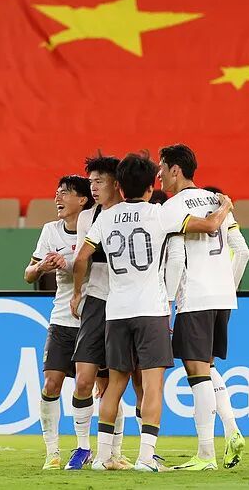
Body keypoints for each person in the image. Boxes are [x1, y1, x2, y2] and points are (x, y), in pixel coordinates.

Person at [71, 152, 233, 472]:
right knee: (152, 385)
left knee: (114, 384)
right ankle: (146, 457)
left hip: (116, 310)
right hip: (151, 310)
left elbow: (80, 259)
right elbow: (210, 225)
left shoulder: (105, 218)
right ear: (149, 188)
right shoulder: (159, 214)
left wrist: (77, 293)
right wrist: (225, 205)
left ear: (120, 186)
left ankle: (103, 457)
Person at [159, 144, 249, 470]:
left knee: (196, 373)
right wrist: (228, 286)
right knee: (208, 368)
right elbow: (243, 251)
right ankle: (232, 429)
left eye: (162, 169)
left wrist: (168, 302)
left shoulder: (173, 207)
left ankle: (205, 454)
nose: (159, 177)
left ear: (175, 170)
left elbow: (175, 258)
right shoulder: (218, 199)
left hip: (195, 297)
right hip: (223, 297)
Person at [66, 154, 143, 470]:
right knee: (84, 380)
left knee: (124, 381)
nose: (94, 187)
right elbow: (80, 260)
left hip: (127, 304)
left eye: (99, 181)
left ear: (116, 183)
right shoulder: (88, 218)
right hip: (97, 302)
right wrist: (77, 293)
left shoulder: (134, 214)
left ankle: (120, 452)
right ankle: (83, 447)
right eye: (91, 182)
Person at [24, 175, 94, 470]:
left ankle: (98, 449)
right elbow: (28, 274)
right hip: (61, 319)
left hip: (93, 318)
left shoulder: (96, 227)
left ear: (83, 200)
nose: (58, 198)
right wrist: (42, 266)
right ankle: (52, 451)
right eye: (57, 192)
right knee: (51, 383)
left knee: (92, 385)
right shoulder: (50, 230)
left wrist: (69, 263)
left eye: (65, 193)